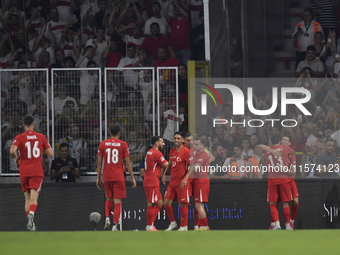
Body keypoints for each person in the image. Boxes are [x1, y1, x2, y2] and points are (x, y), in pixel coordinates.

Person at [9, 114, 53, 231]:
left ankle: (31, 225)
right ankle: (32, 215)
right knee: (34, 198)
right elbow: (51, 154)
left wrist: (16, 157)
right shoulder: (41, 137)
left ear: (23, 125)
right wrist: (46, 145)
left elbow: (12, 150)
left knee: (27, 198)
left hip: (24, 171)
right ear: (34, 124)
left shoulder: (19, 137)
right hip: (36, 171)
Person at [96, 125, 137, 231]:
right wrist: (132, 177)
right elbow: (127, 162)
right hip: (118, 176)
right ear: (119, 133)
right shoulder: (123, 144)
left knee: (108, 198)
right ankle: (115, 225)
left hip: (107, 176)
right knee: (117, 201)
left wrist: (98, 177)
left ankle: (107, 218)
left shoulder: (103, 144)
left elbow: (100, 162)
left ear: (109, 132)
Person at [263, 134, 295, 230]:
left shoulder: (267, 151)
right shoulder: (285, 149)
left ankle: (277, 224)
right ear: (280, 141)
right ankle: (288, 225)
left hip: (272, 180)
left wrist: (270, 149)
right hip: (284, 179)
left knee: (273, 203)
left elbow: (261, 146)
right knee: (285, 203)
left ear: (271, 142)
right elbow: (292, 151)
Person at [162, 131, 190, 231]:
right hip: (172, 182)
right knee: (166, 203)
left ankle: (184, 226)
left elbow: (192, 166)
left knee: (182, 204)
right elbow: (170, 163)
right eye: (175, 138)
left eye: (178, 138)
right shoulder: (172, 151)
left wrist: (186, 178)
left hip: (181, 182)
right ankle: (173, 223)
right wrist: (165, 174)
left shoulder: (186, 151)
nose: (176, 140)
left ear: (182, 140)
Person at [184, 137, 210, 230]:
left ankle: (205, 226)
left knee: (199, 205)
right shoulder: (197, 154)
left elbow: (195, 167)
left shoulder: (203, 154)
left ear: (203, 146)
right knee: (199, 205)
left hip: (201, 181)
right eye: (195, 144)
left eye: (197, 144)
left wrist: (186, 176)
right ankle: (202, 226)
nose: (195, 146)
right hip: (198, 181)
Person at [144, 136, 168, 231]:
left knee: (159, 202)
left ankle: (150, 224)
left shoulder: (149, 152)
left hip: (151, 180)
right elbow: (167, 165)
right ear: (156, 143)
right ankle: (150, 226)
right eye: (162, 142)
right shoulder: (157, 153)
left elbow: (161, 166)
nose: (164, 144)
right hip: (152, 181)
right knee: (151, 204)